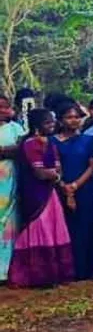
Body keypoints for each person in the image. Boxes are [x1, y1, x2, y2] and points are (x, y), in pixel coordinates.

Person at [7, 109, 75, 287]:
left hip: (51, 193)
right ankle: (40, 276)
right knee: (41, 229)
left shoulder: (50, 143)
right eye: (47, 123)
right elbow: (40, 173)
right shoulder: (31, 143)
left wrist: (58, 180)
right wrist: (54, 175)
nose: (52, 125)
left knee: (54, 229)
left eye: (53, 122)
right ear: (37, 125)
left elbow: (56, 171)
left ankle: (55, 274)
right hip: (36, 195)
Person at [51, 102, 93, 281]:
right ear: (61, 120)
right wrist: (64, 186)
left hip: (85, 189)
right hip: (59, 189)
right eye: (69, 117)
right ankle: (69, 270)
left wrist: (75, 186)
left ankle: (87, 269)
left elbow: (92, 166)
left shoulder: (88, 140)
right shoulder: (53, 141)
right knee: (66, 228)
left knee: (86, 227)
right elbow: (54, 166)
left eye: (77, 117)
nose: (74, 120)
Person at [0, 96, 21, 282]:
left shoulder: (15, 128)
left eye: (5, 107)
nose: (3, 111)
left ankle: (7, 269)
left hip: (10, 181)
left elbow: (23, 148)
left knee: (9, 223)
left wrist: (3, 151)